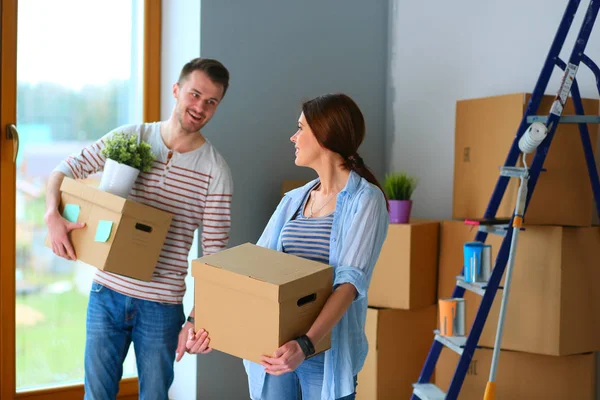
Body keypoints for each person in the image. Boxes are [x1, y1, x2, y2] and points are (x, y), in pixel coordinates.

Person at [44, 57, 234, 400]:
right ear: (176, 91)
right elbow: (66, 169)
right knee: (96, 395)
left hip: (161, 306)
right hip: (106, 293)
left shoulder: (215, 170)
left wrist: (196, 318)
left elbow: (215, 256)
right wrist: (51, 216)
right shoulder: (133, 137)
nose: (200, 107)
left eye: (211, 102)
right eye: (194, 94)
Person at [186, 93, 389, 400]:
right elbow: (252, 270)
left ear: (323, 134)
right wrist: (206, 322)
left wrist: (305, 344)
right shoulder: (293, 200)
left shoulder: (366, 200)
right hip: (273, 350)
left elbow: (348, 284)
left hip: (323, 354)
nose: (293, 137)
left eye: (301, 128)